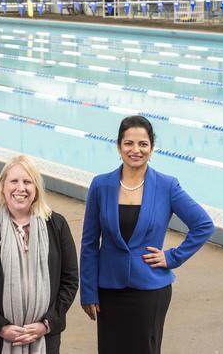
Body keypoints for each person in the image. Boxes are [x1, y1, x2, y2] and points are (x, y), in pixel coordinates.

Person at [80, 115, 214, 354]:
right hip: (109, 290)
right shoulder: (101, 185)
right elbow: (89, 243)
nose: (136, 150)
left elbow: (203, 225)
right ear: (119, 146)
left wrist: (172, 257)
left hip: (150, 290)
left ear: (151, 148)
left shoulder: (166, 186)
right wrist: (88, 291)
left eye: (143, 144)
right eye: (129, 143)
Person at [0, 155, 79, 354]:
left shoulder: (57, 225)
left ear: (36, 188)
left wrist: (47, 324)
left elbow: (70, 280)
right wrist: (0, 326)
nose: (21, 188)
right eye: (14, 181)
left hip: (44, 337)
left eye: (27, 181)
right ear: (2, 186)